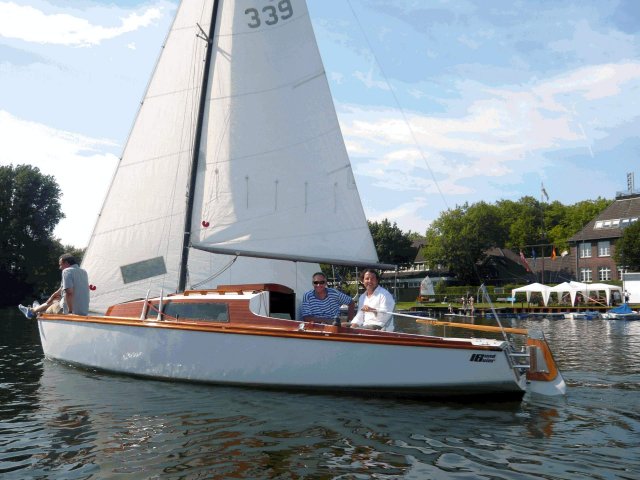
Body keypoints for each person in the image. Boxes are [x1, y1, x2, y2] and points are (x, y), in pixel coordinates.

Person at [18, 253, 90, 318]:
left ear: (66, 263)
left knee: (47, 308)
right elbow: (62, 288)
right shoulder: (84, 272)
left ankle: (34, 311)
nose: (60, 267)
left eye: (61, 264)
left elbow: (69, 292)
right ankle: (34, 310)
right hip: (83, 311)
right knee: (55, 299)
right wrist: (52, 296)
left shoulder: (67, 271)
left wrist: (70, 312)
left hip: (68, 311)